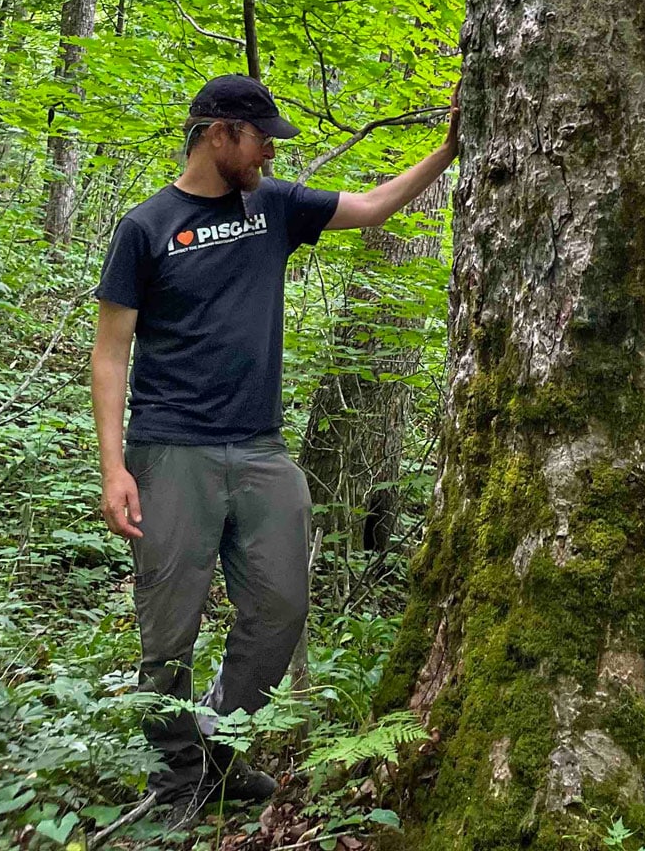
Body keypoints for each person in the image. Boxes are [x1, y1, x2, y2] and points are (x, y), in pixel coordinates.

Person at [91, 73, 458, 821]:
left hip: (261, 450)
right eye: (261, 139)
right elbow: (110, 350)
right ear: (220, 132)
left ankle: (218, 749)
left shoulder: (275, 206)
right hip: (171, 450)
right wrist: (115, 469)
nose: (268, 154)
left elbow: (375, 205)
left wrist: (448, 150)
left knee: (282, 607)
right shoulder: (145, 226)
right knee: (170, 632)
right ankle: (177, 780)